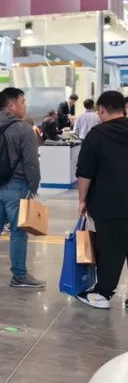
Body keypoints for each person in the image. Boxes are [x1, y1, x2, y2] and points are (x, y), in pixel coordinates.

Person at [0, 88, 45, 291]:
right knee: (18, 232)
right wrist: (33, 186)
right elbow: (31, 162)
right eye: (22, 101)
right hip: (15, 185)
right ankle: (19, 276)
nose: (25, 105)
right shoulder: (24, 129)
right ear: (11, 105)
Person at [75, 91, 128, 309]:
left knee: (111, 249)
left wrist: (82, 200)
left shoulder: (97, 135)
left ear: (102, 110)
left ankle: (102, 294)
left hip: (109, 204)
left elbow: (85, 173)